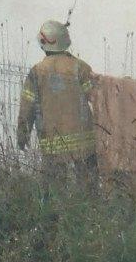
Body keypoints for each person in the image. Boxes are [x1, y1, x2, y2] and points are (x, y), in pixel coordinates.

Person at [16, 19, 98, 183]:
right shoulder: (80, 67)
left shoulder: (37, 72)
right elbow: (97, 99)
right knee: (88, 188)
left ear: (43, 43)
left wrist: (22, 135)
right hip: (85, 142)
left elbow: (27, 108)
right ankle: (90, 209)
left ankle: (55, 208)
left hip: (52, 143)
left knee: (54, 189)